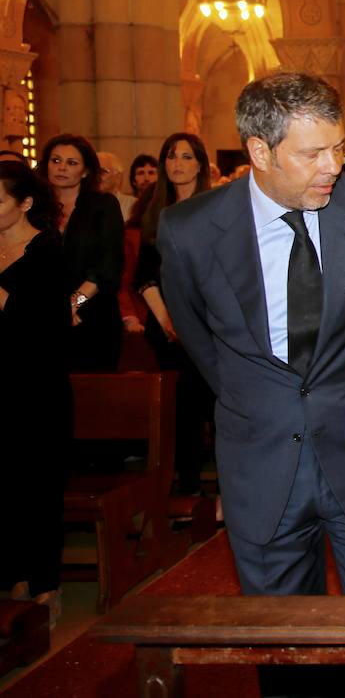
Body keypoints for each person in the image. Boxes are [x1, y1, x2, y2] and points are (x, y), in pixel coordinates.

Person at [156, 73, 345, 603]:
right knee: (282, 648)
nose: (333, 166)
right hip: (261, 466)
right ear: (260, 150)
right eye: (313, 153)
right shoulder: (190, 230)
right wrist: (261, 399)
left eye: (339, 148)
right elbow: (202, 343)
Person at [0, 160, 71, 626]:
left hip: (37, 387)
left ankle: (46, 580)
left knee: (39, 486)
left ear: (24, 203)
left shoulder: (47, 249)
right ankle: (13, 575)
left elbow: (44, 323)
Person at [133, 132, 215, 495]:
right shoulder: (154, 207)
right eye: (171, 156)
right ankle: (188, 485)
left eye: (185, 156)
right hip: (166, 325)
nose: (177, 163)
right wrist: (168, 320)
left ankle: (228, 488)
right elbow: (143, 275)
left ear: (199, 163)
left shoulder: (212, 207)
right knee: (180, 409)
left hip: (207, 325)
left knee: (211, 404)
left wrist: (190, 320)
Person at [39, 133, 124, 372]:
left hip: (94, 316)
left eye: (71, 163)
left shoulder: (103, 205)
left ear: (85, 171)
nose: (62, 168)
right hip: (43, 319)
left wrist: (74, 303)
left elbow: (108, 266)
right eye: (55, 161)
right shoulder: (34, 208)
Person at [97, 150, 137, 222]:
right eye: (93, 171)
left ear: (117, 176)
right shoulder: (82, 204)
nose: (96, 176)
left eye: (102, 171)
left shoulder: (133, 205)